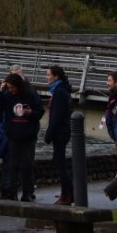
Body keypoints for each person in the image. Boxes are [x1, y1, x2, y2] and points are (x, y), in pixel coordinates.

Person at [0, 72, 42, 202]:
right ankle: (11, 192)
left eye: (12, 87)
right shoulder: (7, 95)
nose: (11, 90)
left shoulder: (30, 94)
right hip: (13, 134)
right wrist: (1, 92)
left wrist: (30, 113)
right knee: (12, 165)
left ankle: (27, 193)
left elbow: (40, 111)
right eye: (9, 87)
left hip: (28, 135)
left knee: (26, 165)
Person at [44, 64, 73, 205]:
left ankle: (66, 194)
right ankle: (69, 191)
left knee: (60, 163)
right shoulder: (61, 90)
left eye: (48, 75)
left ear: (56, 76)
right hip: (63, 131)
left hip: (60, 132)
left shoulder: (59, 92)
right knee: (59, 161)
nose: (46, 77)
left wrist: (48, 134)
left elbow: (56, 116)